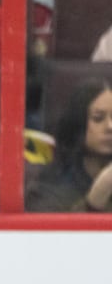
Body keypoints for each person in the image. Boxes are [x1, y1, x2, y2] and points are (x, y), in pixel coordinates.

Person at [27, 77, 112, 212]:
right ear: (78, 124)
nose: (110, 127)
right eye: (98, 118)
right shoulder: (51, 186)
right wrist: (93, 203)